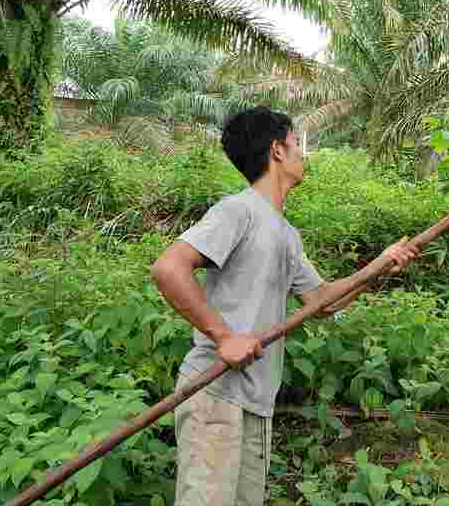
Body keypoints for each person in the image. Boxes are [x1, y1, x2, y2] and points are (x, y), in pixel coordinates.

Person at [151, 106, 420, 506]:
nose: (302, 154)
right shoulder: (237, 211)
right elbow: (168, 268)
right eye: (297, 144)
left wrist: (379, 267)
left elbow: (322, 302)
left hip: (256, 401)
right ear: (277, 150)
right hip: (215, 392)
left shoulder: (286, 233)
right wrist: (223, 336)